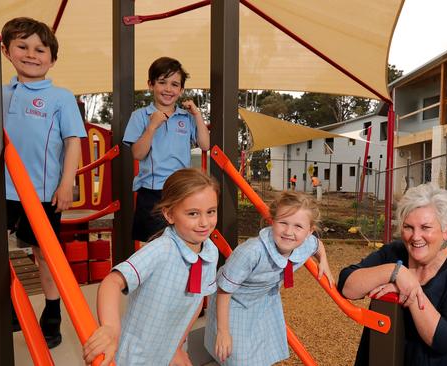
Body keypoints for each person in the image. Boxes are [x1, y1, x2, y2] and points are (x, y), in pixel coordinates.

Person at [0, 17, 86, 348]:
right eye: (23, 46)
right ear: (7, 51)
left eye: (40, 49)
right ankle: (8, 304)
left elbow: (72, 142)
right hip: (2, 189)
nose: (32, 54)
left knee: (45, 253)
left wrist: (67, 184)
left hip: (43, 192)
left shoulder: (60, 97)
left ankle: (52, 312)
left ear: (52, 58)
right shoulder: (0, 93)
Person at [83, 168, 219, 366]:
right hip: (137, 355)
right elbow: (112, 282)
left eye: (211, 212)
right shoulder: (162, 250)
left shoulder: (210, 252)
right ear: (170, 215)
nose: (204, 222)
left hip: (170, 347)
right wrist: (111, 328)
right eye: (193, 213)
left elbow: (197, 298)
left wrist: (178, 345)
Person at [338, 183, 447, 365]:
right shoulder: (393, 254)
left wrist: (410, 291)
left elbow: (446, 341)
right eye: (408, 227)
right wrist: (395, 271)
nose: (415, 236)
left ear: (446, 230)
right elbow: (347, 287)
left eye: (425, 227)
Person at [204, 191, 334, 366]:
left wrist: (323, 260)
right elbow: (224, 290)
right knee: (236, 355)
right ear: (272, 221)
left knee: (261, 350)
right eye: (283, 223)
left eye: (298, 226)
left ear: (310, 231)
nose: (289, 231)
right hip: (234, 302)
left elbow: (318, 245)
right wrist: (222, 331)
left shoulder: (306, 243)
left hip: (264, 300)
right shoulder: (251, 252)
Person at [123, 57, 210, 243]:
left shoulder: (186, 118)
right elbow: (138, 154)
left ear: (181, 90)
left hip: (180, 190)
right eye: (162, 82)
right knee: (153, 243)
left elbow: (205, 145)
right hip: (152, 191)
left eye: (174, 84)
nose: (168, 89)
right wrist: (152, 126)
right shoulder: (140, 116)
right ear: (151, 85)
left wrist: (197, 115)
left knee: (181, 240)